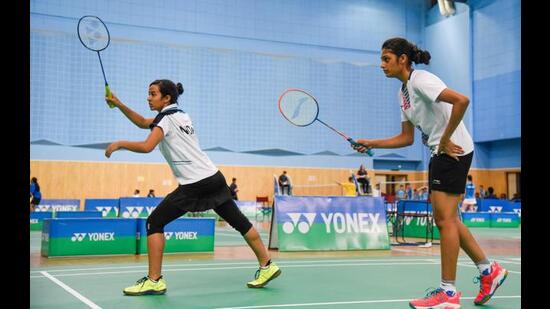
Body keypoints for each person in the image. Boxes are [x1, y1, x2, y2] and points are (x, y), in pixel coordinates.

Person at [351, 38, 507, 308]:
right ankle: (488, 270)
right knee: (449, 221)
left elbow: (461, 100)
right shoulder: (402, 93)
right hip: (439, 151)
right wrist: (371, 143)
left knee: (444, 222)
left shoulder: (421, 79)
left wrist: (445, 139)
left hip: (452, 151)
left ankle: (448, 293)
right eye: (381, 59)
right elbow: (406, 137)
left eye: (386, 59)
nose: (382, 65)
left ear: (402, 59)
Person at [104, 79, 280, 296]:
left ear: (166, 98)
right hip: (213, 177)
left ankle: (154, 280)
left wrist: (120, 143)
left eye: (152, 94)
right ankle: (267, 265)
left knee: (154, 222)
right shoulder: (181, 115)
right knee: (239, 222)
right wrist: (120, 104)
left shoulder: (166, 120)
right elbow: (142, 122)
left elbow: (147, 146)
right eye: (148, 94)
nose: (148, 98)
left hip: (194, 183)